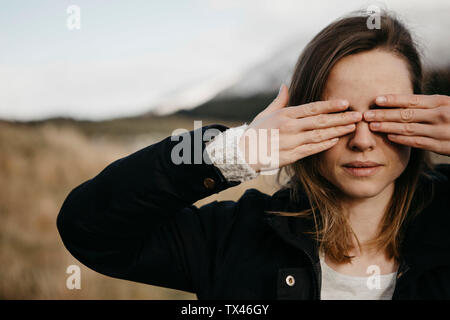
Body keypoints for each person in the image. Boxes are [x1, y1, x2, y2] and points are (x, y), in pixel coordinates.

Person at [57, 10, 450, 300]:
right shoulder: (233, 238)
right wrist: (232, 151)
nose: (363, 140)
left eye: (385, 115)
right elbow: (88, 227)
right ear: (297, 116)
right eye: (339, 115)